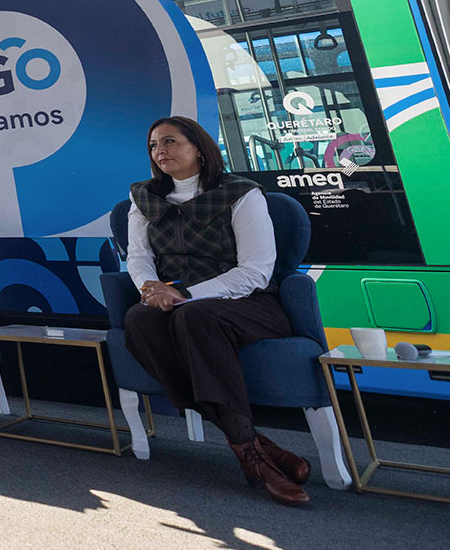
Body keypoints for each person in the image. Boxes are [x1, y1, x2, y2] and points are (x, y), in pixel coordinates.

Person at [124, 116, 311, 506]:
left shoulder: (240, 193)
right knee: (139, 318)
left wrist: (186, 295)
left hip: (247, 303)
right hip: (179, 303)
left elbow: (256, 272)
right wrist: (150, 289)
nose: (160, 151)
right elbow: (138, 257)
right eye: (154, 145)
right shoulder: (143, 198)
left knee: (193, 315)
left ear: (199, 148)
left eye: (170, 141)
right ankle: (252, 447)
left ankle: (253, 460)